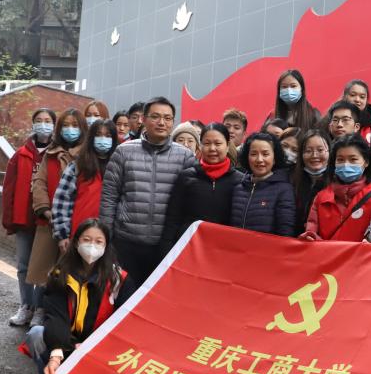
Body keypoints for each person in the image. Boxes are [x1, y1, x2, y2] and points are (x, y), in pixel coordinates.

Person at [24, 218, 134, 374]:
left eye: (98, 241)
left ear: (106, 246)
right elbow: (56, 316)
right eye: (87, 240)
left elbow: (124, 322)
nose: (92, 246)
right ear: (76, 243)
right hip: (66, 340)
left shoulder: (118, 279)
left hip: (98, 346)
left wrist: (92, 345)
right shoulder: (59, 273)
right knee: (36, 334)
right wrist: (56, 354)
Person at [100, 97, 196, 288]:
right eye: (155, 117)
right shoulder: (123, 152)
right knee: (122, 294)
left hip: (165, 245)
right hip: (126, 241)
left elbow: (190, 204)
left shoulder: (185, 157)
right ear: (143, 119)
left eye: (167, 118)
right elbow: (109, 197)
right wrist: (106, 237)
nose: (161, 122)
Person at [28, 108, 88, 328]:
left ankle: (62, 316)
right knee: (44, 273)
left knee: (69, 274)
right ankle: (37, 310)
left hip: (77, 224)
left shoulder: (88, 156)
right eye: (65, 125)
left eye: (75, 125)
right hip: (49, 222)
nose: (70, 130)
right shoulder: (50, 154)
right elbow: (39, 183)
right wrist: (46, 210)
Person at [1, 108, 56, 328]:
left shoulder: (58, 154)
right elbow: (9, 188)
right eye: (39, 120)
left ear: (54, 124)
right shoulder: (21, 154)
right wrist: (9, 219)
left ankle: (40, 309)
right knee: (23, 265)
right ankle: (26, 306)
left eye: (47, 120)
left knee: (43, 267)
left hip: (47, 220)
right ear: (32, 124)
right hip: (24, 219)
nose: (43, 124)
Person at [163, 122, 240, 249]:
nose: (212, 148)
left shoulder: (240, 181)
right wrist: (166, 250)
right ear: (200, 146)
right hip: (189, 248)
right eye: (207, 143)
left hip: (224, 249)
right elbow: (173, 219)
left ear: (227, 146)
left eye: (218, 143)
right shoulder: (186, 177)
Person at [303, 134, 371, 241]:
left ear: (366, 162)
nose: (346, 165)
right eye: (340, 160)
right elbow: (311, 233)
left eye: (353, 159)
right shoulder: (321, 198)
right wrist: (311, 237)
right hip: (326, 252)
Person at [51, 119, 119, 251]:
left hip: (109, 237)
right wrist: (62, 234)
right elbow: (62, 200)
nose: (103, 139)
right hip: (79, 234)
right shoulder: (77, 166)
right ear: (91, 138)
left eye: (108, 136)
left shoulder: (119, 167)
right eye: (98, 135)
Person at [230, 132, 296, 236]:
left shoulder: (284, 190)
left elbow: (285, 232)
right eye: (253, 154)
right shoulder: (239, 188)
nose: (259, 159)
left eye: (265, 154)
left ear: (274, 158)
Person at [292, 129, 330, 235]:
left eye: (320, 150)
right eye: (308, 151)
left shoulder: (337, 182)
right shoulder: (291, 180)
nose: (314, 155)